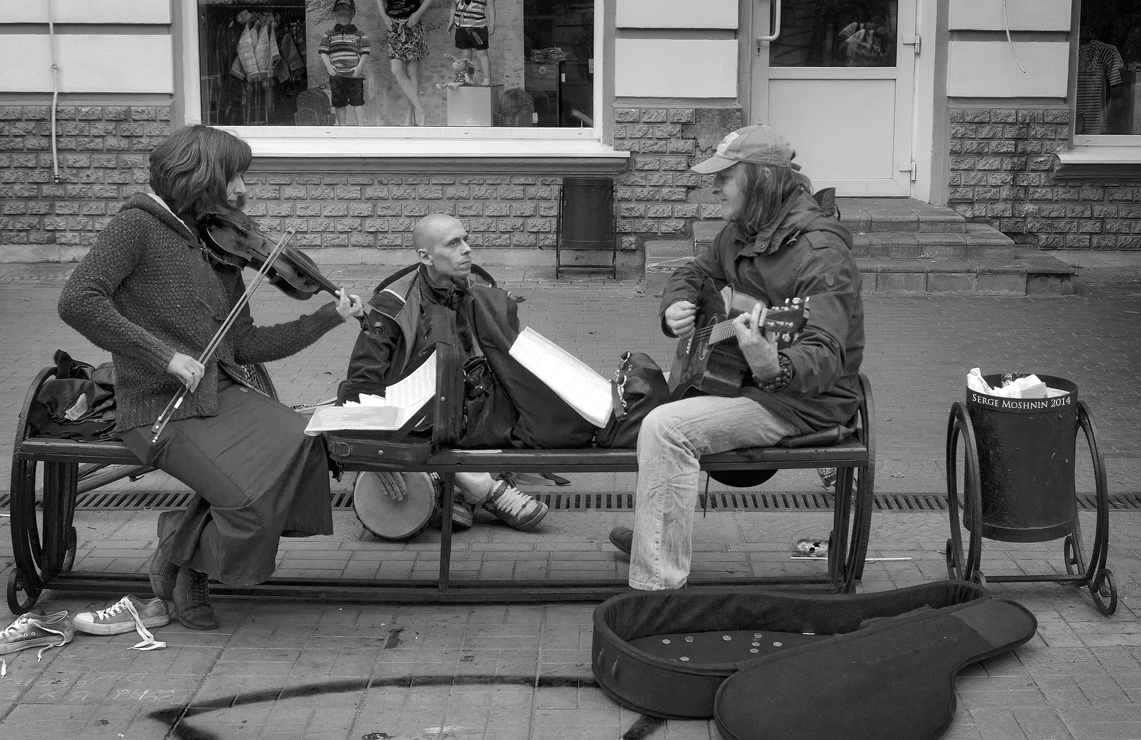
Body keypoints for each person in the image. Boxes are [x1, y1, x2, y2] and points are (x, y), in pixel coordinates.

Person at [58, 125, 365, 629]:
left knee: (306, 444)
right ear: (198, 175)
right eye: (233, 176)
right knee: (246, 497)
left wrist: (328, 318)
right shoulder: (136, 225)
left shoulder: (214, 245)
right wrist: (164, 356)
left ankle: (181, 552)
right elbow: (77, 301)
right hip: (159, 407)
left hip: (222, 394)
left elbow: (244, 345)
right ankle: (194, 565)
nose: (242, 190)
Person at [607, 125, 865, 590]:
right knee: (631, 394)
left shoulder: (821, 253)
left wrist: (775, 366)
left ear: (760, 179)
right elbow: (693, 272)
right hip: (740, 377)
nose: (714, 186)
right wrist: (676, 304)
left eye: (725, 176)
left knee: (666, 428)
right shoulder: (741, 231)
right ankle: (657, 533)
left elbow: (825, 353)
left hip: (802, 400)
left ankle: (657, 588)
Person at [346, 213, 549, 532]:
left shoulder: (482, 291)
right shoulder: (391, 305)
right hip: (415, 416)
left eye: (466, 240)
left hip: (474, 406)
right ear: (426, 257)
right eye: (453, 244)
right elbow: (362, 382)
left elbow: (508, 361)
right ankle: (483, 489)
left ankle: (452, 490)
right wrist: (374, 452)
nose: (467, 249)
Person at [378, 0, 433, 125]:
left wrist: (418, 13)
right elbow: (379, 2)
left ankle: (410, 117)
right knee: (396, 69)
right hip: (394, 26)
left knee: (412, 73)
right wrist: (384, 16)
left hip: (413, 25)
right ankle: (421, 111)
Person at [319, 0, 371, 126]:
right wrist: (329, 67)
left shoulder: (360, 35)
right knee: (339, 102)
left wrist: (359, 68)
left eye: (346, 14)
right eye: (340, 14)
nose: (343, 17)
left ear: (352, 14)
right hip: (336, 74)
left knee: (357, 101)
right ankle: (342, 128)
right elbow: (323, 52)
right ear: (335, 15)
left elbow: (365, 52)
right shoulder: (328, 35)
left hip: (354, 74)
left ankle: (361, 128)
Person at [447, 0, 494, 86]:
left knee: (482, 54)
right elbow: (453, 8)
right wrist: (451, 21)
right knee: (466, 56)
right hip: (461, 29)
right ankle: (468, 79)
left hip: (478, 29)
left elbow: (491, 6)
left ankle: (487, 78)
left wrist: (492, 22)